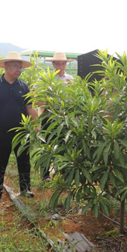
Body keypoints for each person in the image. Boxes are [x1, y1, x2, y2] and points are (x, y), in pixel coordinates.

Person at [0, 51, 38, 203]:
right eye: (15, 66)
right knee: (0, 162)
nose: (18, 69)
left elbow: (30, 108)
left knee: (24, 161)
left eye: (20, 67)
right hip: (2, 132)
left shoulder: (24, 86)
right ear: (6, 67)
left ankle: (25, 189)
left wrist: (36, 125)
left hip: (22, 132)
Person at [40, 52, 75, 181]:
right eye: (58, 63)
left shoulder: (70, 79)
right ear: (53, 64)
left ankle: (63, 173)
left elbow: (75, 97)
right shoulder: (45, 78)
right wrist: (48, 101)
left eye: (63, 63)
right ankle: (45, 175)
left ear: (66, 64)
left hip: (65, 117)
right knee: (47, 144)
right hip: (48, 116)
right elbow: (36, 97)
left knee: (64, 143)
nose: (60, 66)